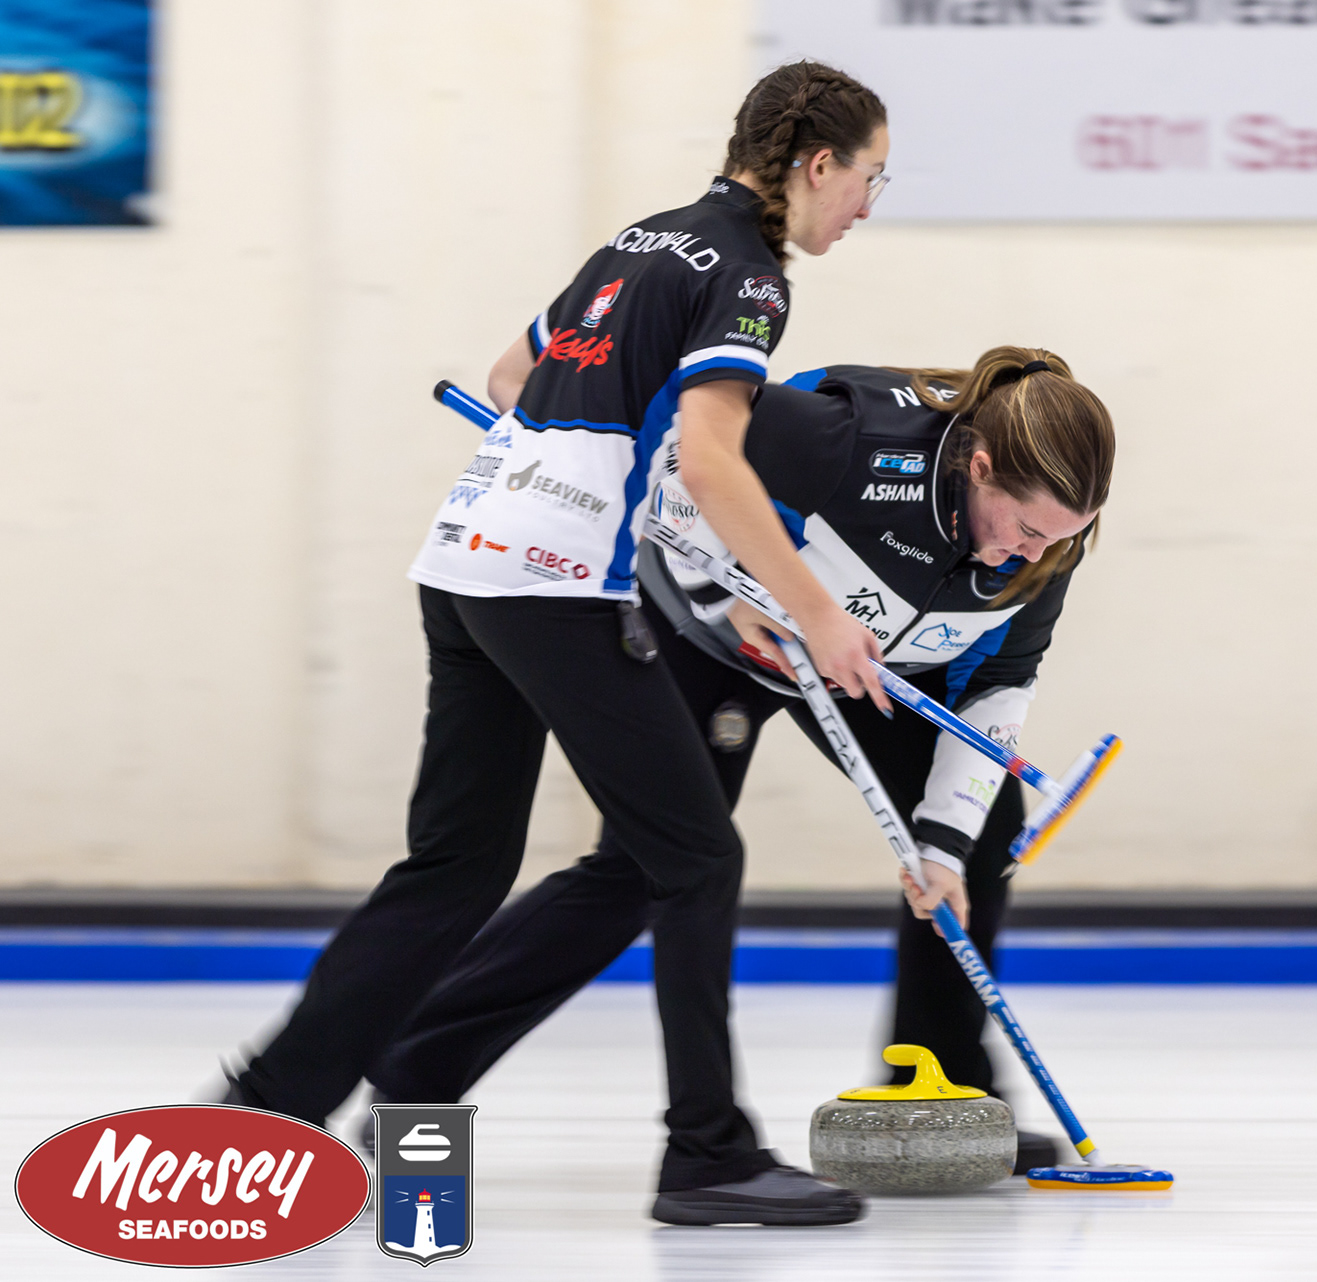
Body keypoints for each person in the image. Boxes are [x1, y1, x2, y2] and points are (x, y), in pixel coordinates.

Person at [217, 60, 890, 1228]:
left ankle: (266, 1114)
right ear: (816, 164)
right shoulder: (749, 276)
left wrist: (582, 468)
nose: (869, 206)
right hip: (551, 583)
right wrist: (820, 612)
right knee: (693, 856)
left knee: (457, 868)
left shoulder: (642, 240)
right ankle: (708, 1156)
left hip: (465, 561)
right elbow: (713, 459)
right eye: (871, 177)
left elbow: (510, 375)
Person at [361, 348, 1114, 1188]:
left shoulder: (1047, 550)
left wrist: (942, 848)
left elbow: (997, 688)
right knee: (649, 867)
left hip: (858, 659)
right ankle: (416, 1068)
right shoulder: (850, 441)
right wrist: (733, 598)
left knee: (977, 834)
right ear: (980, 468)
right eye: (1026, 530)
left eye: (1060, 539)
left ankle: (936, 1089)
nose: (1028, 556)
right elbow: (683, 455)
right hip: (706, 631)